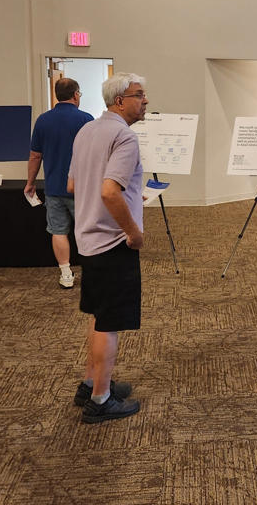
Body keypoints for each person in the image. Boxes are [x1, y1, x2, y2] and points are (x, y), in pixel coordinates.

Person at [67, 72, 148, 423]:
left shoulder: (87, 130)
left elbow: (73, 185)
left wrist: (129, 194)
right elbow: (109, 192)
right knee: (109, 322)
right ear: (120, 101)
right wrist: (133, 232)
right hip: (113, 241)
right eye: (139, 95)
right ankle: (100, 400)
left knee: (99, 315)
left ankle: (91, 382)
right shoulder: (124, 137)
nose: (145, 101)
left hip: (88, 238)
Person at [25, 78, 93, 288]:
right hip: (81, 190)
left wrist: (30, 182)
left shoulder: (43, 120)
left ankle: (66, 274)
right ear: (75, 95)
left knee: (58, 231)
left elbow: (35, 155)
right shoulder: (86, 119)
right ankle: (91, 273)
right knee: (86, 231)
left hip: (54, 189)